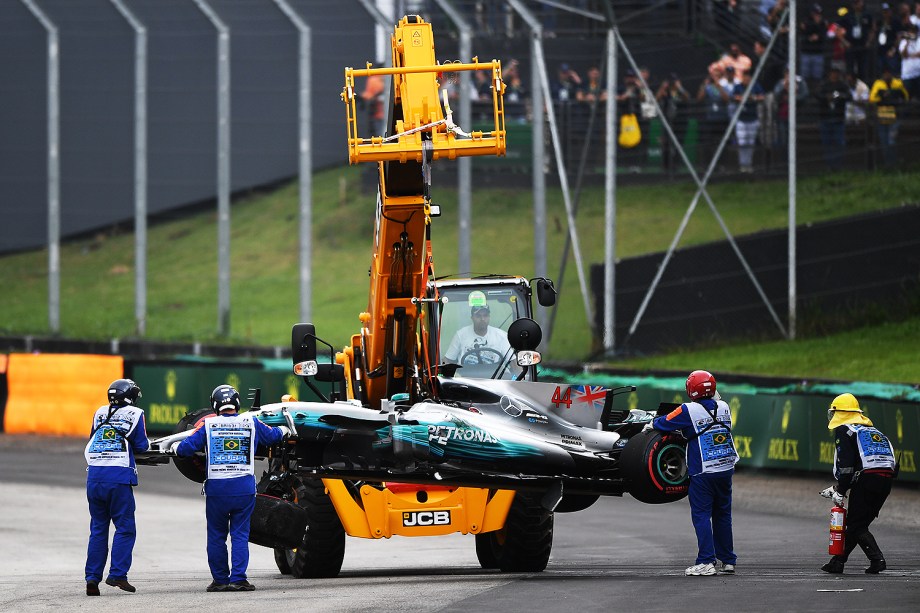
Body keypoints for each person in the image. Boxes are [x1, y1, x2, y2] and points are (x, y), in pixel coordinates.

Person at [174, 385, 292, 592]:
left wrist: (175, 446)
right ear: (237, 403)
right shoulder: (251, 421)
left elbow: (184, 449)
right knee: (239, 534)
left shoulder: (208, 424)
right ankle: (238, 579)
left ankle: (220, 580)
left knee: (216, 535)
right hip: (243, 488)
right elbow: (274, 436)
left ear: (215, 405)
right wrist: (284, 429)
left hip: (217, 490)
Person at [649, 370, 739, 576]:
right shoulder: (724, 406)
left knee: (701, 515)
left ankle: (706, 561)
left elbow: (662, 422)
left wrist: (650, 424)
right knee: (723, 513)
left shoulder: (687, 409)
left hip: (703, 471)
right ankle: (728, 560)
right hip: (726, 467)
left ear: (691, 390)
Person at [84, 379, 149, 596]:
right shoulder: (136, 413)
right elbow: (141, 445)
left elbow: (95, 436)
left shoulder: (99, 412)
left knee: (98, 527)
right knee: (125, 527)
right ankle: (118, 574)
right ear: (131, 395)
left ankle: (92, 578)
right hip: (118, 477)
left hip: (94, 477)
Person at [820, 393, 897, 574]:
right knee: (857, 524)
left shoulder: (845, 431)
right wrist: (840, 488)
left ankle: (877, 559)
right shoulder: (873, 431)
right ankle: (837, 562)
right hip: (885, 481)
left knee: (857, 525)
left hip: (868, 480)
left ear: (840, 413)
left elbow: (846, 466)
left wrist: (840, 491)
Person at [444, 291, 511, 368]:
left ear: (489, 317)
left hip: (494, 378)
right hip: (466, 378)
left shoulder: (502, 336)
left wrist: (520, 378)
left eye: (485, 315)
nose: (482, 319)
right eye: (478, 316)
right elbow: (448, 360)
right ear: (472, 318)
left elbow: (513, 362)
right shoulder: (461, 335)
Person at [869, 67, 909, 168]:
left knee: (892, 140)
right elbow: (872, 99)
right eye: (885, 74)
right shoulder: (878, 84)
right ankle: (888, 164)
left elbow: (906, 97)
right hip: (883, 114)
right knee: (884, 141)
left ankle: (894, 163)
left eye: (889, 73)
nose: (887, 75)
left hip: (895, 115)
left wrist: (892, 94)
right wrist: (883, 95)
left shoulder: (898, 83)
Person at [814, 67, 852, 170]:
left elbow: (849, 96)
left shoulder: (843, 85)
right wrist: (826, 97)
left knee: (839, 143)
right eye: (832, 72)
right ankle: (829, 164)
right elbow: (816, 94)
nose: (834, 75)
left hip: (838, 119)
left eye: (836, 73)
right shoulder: (824, 85)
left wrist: (839, 96)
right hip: (825, 118)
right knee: (827, 143)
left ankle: (838, 164)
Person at [732, 71, 766, 173]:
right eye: (744, 77)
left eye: (748, 77)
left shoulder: (755, 86)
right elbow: (734, 97)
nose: (746, 79)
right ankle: (742, 164)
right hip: (741, 119)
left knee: (750, 143)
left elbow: (762, 96)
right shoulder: (738, 87)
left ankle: (749, 164)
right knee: (742, 143)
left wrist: (753, 98)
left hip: (753, 118)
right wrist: (744, 98)